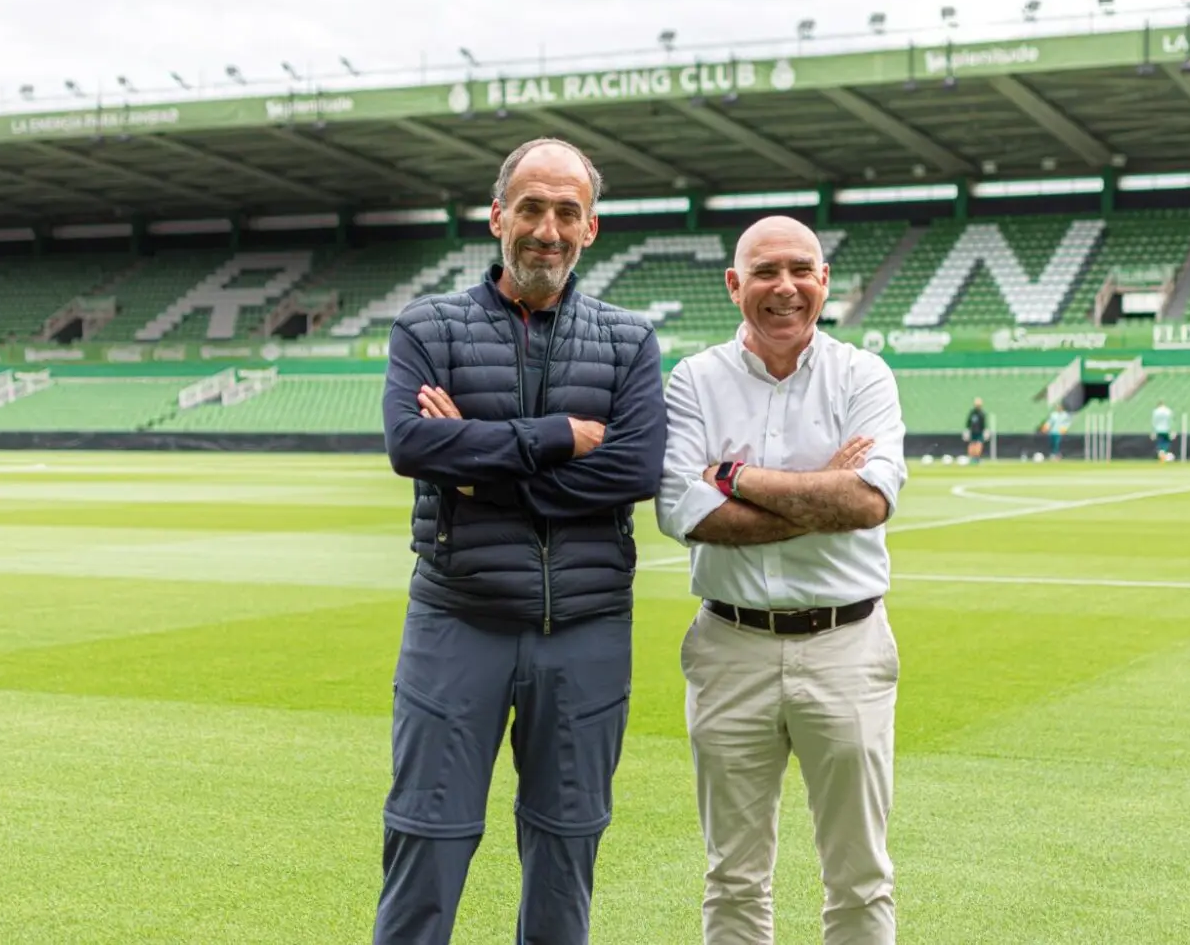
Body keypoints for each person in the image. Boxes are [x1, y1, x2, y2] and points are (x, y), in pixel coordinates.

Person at [374, 137, 667, 945]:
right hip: (458, 618)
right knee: (426, 838)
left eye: (566, 211)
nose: (547, 228)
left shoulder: (628, 341)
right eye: (531, 208)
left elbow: (636, 470)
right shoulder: (427, 326)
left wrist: (476, 460)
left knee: (567, 844)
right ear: (498, 216)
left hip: (586, 628)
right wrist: (553, 437)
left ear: (591, 227)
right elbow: (410, 445)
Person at [656, 215, 909, 945]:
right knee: (733, 878)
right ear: (735, 285)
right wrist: (819, 488)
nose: (785, 287)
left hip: (846, 647)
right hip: (729, 644)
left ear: (824, 281)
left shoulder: (864, 374)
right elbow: (683, 512)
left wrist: (736, 479)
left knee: (860, 877)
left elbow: (866, 502)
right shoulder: (695, 380)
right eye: (765, 272)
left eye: (802, 269)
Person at [964, 397, 989, 464]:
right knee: (972, 444)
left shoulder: (982, 413)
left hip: (979, 431)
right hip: (972, 431)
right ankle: (971, 458)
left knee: (979, 444)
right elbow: (968, 422)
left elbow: (983, 424)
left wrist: (985, 431)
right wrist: (967, 430)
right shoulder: (972, 412)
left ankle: (977, 458)